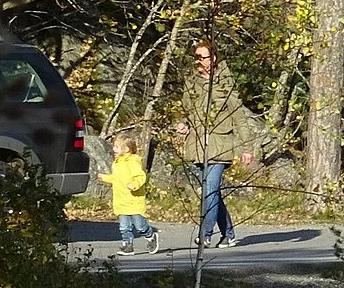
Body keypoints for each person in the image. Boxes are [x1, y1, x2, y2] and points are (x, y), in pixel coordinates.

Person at [173, 42, 254, 249]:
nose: (199, 61)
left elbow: (239, 117)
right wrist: (182, 124)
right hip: (198, 145)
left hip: (220, 145)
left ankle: (205, 234)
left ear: (214, 58)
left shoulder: (226, 83)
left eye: (203, 56)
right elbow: (185, 111)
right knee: (213, 192)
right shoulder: (191, 83)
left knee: (209, 191)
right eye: (197, 57)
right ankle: (229, 234)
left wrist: (247, 148)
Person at [95, 135, 156, 254]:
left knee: (140, 226)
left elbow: (140, 176)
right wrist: (104, 177)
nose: (114, 149)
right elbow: (117, 178)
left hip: (133, 201)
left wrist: (134, 184)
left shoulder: (132, 162)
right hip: (121, 201)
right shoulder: (117, 163)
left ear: (126, 149)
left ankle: (150, 236)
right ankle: (128, 245)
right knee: (124, 227)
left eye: (117, 147)